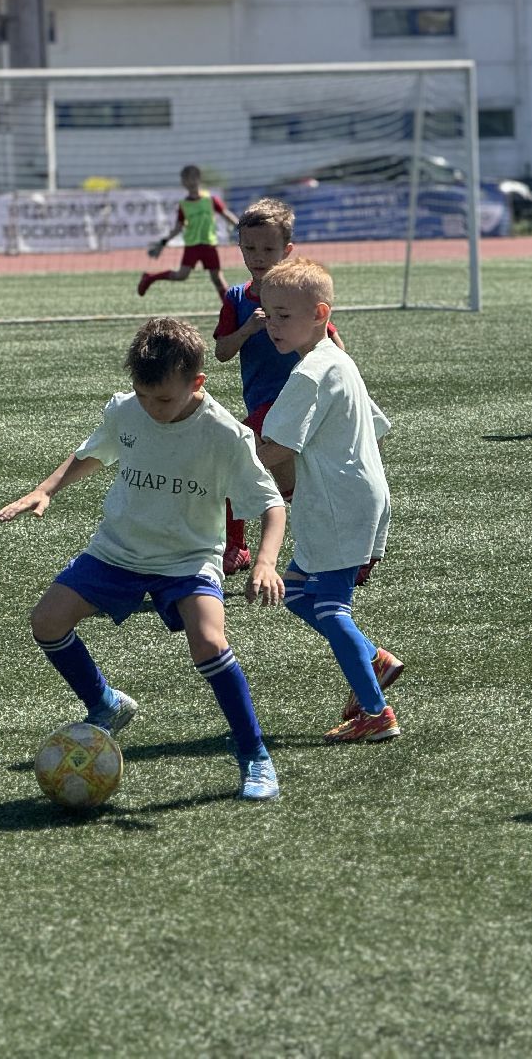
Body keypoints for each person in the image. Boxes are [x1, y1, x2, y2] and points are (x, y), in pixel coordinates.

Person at [0, 316, 288, 801]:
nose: (152, 408)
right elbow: (93, 452)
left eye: (165, 400)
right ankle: (105, 703)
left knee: (210, 643)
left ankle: (255, 756)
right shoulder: (127, 410)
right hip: (118, 549)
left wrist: (265, 560)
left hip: (187, 557)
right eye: (143, 395)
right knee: (46, 621)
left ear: (197, 383)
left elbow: (272, 503)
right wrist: (45, 489)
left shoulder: (225, 435)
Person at [252, 257, 404, 742]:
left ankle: (377, 714)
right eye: (267, 314)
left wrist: (227, 449)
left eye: (283, 315)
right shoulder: (337, 359)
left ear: (320, 313)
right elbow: (377, 430)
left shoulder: (310, 374)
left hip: (339, 504)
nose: (272, 325)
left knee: (330, 608)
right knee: (297, 592)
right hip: (351, 496)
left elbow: (274, 448)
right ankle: (374, 660)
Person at [212, 197, 359, 578]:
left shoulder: (298, 294)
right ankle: (345, 551)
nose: (258, 257)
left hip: (294, 403)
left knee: (236, 457)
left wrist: (343, 385)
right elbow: (222, 352)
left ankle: (236, 547)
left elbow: (333, 347)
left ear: (287, 250)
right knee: (292, 486)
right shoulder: (237, 298)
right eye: (249, 248)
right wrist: (248, 329)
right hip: (262, 401)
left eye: (268, 249)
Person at [137, 164, 240, 303]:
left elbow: (226, 214)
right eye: (186, 179)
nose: (190, 182)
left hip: (209, 244)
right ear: (183, 182)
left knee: (217, 278)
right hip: (192, 246)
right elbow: (178, 228)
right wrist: (163, 242)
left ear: (199, 179)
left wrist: (241, 227)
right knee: (181, 275)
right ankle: (149, 277)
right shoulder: (183, 205)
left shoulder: (210, 200)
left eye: (193, 178)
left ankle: (231, 309)